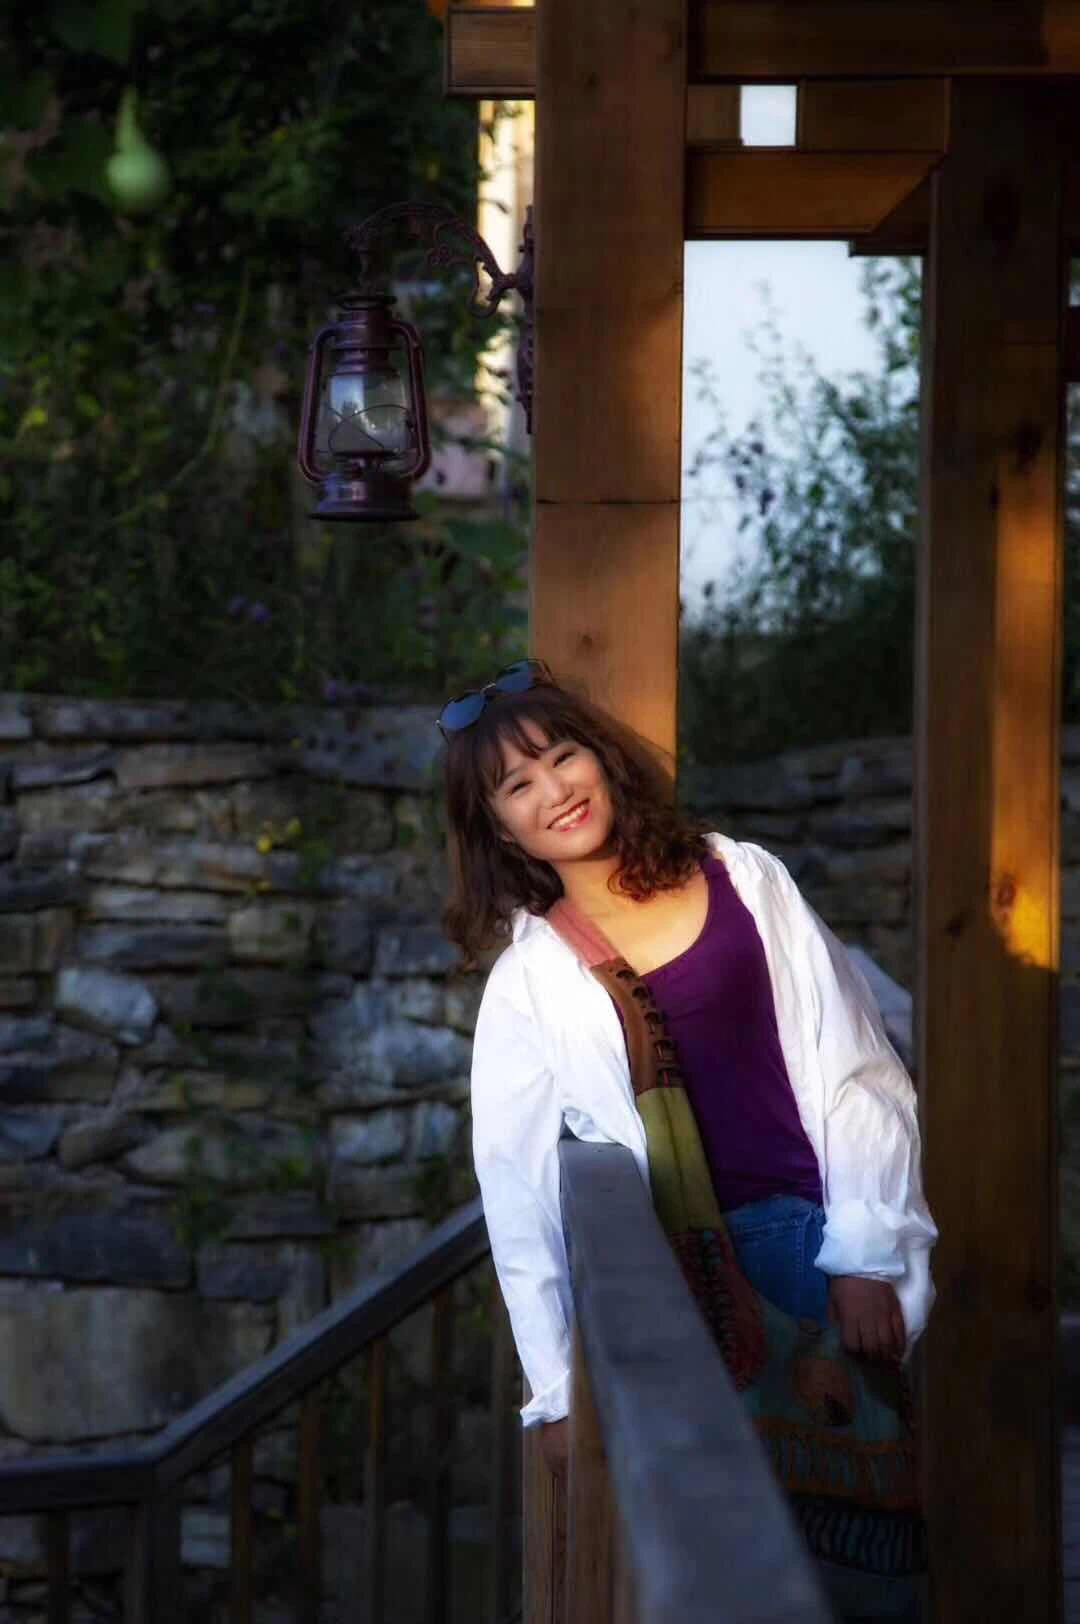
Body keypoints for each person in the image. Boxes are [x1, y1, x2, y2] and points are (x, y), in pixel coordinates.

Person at [439, 658, 938, 1617]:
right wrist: (556, 1389)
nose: (554, 790)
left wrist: (867, 1253)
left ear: (601, 757)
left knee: (870, 1568)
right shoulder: (530, 982)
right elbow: (520, 1194)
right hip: (681, 1288)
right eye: (517, 785)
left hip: (819, 1251)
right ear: (497, 826)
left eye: (562, 756)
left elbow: (853, 1064)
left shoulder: (744, 877)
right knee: (727, 1565)